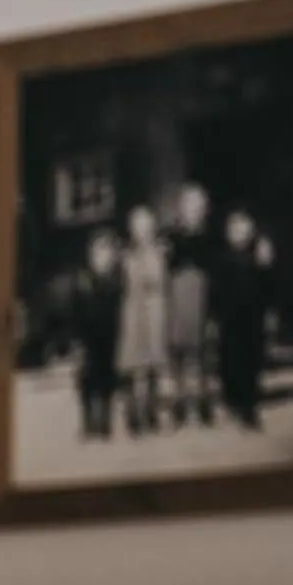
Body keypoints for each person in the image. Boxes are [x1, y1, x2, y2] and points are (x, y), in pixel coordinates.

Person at [208, 207, 276, 429]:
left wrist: (266, 266)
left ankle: (249, 407)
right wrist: (213, 318)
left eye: (243, 227)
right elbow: (214, 291)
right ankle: (234, 402)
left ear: (251, 230)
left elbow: (269, 288)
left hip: (253, 319)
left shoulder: (260, 255)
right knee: (230, 363)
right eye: (234, 228)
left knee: (252, 362)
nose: (239, 232)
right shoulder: (221, 257)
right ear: (228, 232)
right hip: (229, 320)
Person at [115, 203, 172, 434]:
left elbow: (165, 283)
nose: (143, 230)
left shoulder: (162, 251)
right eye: (138, 226)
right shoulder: (124, 255)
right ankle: (134, 415)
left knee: (153, 364)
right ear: (131, 229)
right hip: (132, 312)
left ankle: (151, 412)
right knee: (135, 366)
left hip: (155, 310)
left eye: (147, 225)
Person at [165, 183, 214, 427]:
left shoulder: (211, 237)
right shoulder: (171, 237)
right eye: (189, 205)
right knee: (178, 351)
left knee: (202, 352)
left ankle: (203, 400)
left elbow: (216, 270)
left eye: (198, 205)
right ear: (181, 208)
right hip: (177, 297)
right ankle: (180, 400)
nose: (193, 210)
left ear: (205, 209)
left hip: (201, 296)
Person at [72, 229, 126, 439]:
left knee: (107, 379)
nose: (103, 257)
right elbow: (74, 311)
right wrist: (75, 341)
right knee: (87, 380)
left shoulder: (117, 280)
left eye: (107, 253)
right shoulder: (82, 280)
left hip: (110, 336)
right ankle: (87, 423)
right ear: (91, 255)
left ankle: (104, 422)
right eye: (98, 252)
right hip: (87, 338)